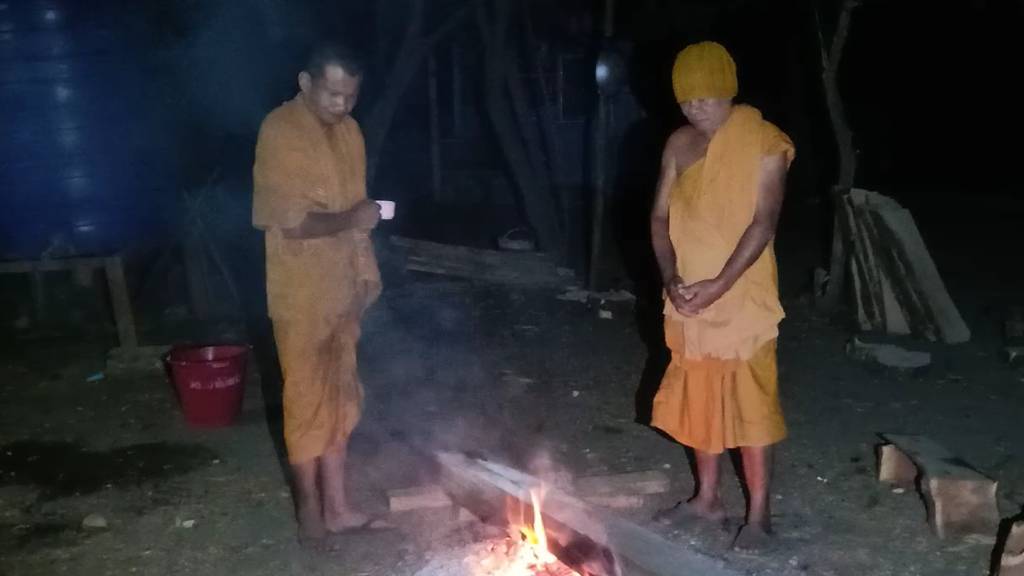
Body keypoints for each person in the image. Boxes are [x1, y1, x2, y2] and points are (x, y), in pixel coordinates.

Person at [649, 41, 795, 551]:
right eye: (686, 100)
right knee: (699, 398)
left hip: (741, 296)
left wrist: (720, 284)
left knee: (751, 403)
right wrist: (671, 277)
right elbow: (659, 218)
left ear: (728, 91)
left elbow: (764, 222)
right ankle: (707, 499)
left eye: (706, 98)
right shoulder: (678, 144)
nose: (696, 108)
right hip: (688, 296)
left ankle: (759, 516)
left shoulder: (764, 141)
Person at [252, 42, 384, 547]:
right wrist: (352, 218)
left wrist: (365, 271)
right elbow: (288, 222)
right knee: (306, 399)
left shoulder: (351, 132)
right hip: (301, 291)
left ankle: (340, 508)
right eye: (332, 94)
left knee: (342, 397)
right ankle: (309, 510)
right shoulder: (280, 131)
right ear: (306, 83)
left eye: (351, 96)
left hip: (343, 286)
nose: (342, 105)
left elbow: (357, 214)